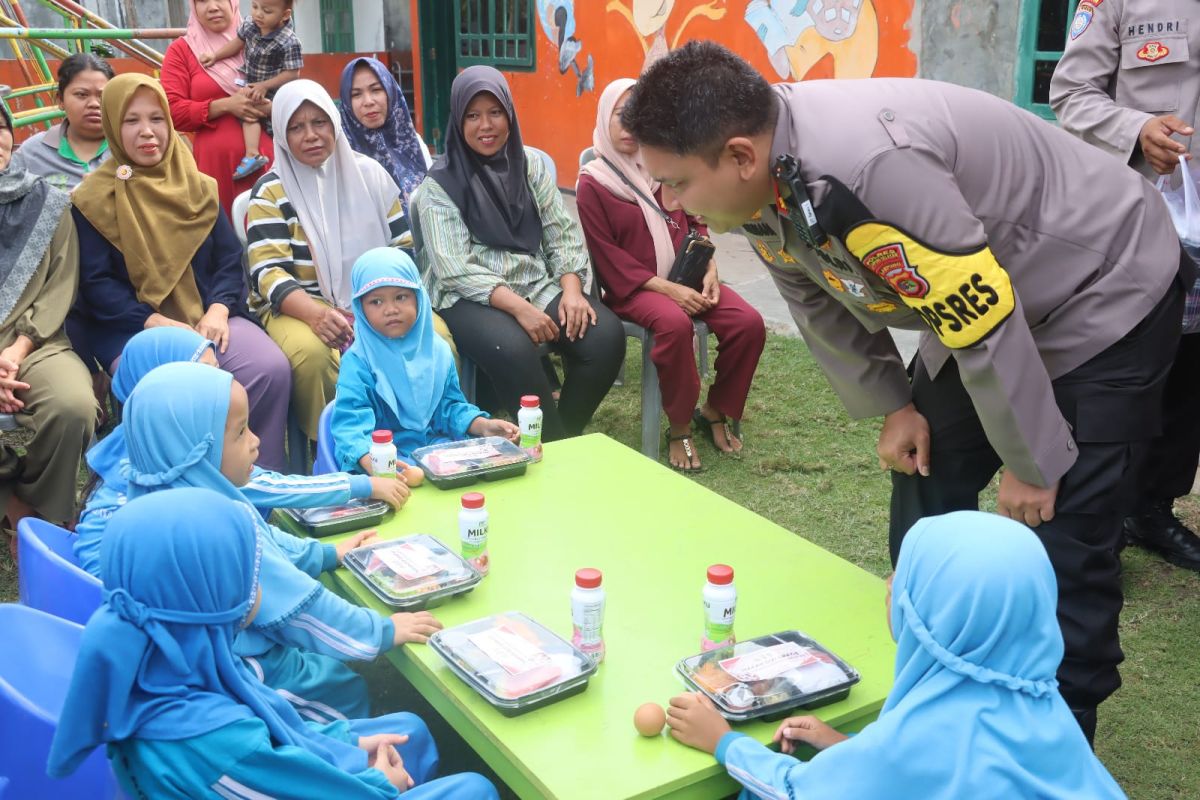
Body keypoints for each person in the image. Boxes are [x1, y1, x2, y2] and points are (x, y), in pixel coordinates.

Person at [620, 41, 1186, 743]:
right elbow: (814, 296)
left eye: (675, 183)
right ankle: (925, 683)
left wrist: (1032, 461)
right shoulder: (763, 176)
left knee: (1064, 530)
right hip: (988, 297)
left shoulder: (870, 169)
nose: (668, 201)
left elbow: (981, 320)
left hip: (1102, 286)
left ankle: (1057, 739)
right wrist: (895, 403)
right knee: (926, 465)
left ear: (738, 156)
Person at [47, 487, 499, 799]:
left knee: (409, 730)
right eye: (249, 574)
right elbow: (276, 772)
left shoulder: (168, 660)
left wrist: (345, 744)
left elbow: (280, 731)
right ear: (208, 601)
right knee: (474, 790)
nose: (261, 585)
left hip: (263, 771)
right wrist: (383, 784)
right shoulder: (212, 742)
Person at [665, 511, 1128, 799]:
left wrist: (724, 741)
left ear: (945, 621)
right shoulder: (1045, 710)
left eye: (906, 581)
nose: (891, 586)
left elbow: (796, 792)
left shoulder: (922, 735)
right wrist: (851, 751)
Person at [119, 361, 441, 720]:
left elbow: (269, 543)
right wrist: (383, 629)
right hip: (239, 673)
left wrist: (325, 554)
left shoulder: (158, 496)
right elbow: (300, 608)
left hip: (191, 667)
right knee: (339, 687)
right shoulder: (218, 526)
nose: (256, 441)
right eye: (241, 433)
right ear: (194, 449)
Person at [70, 73, 292, 471]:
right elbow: (95, 284)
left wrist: (219, 310)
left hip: (206, 316)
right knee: (179, 389)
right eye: (131, 121)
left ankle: (262, 486)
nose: (147, 132)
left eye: (157, 118)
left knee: (267, 368)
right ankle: (183, 489)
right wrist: (154, 320)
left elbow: (228, 260)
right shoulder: (92, 199)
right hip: (134, 328)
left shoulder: (199, 186)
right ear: (113, 127)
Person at [1050, 1, 1200, 573]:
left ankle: (1152, 509)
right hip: (1138, 218)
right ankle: (1098, 517)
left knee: (1189, 379)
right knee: (1122, 371)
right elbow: (1072, 94)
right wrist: (1134, 128)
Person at [74, 326, 409, 575]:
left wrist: (322, 553)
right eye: (202, 376)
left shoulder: (143, 448)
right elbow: (256, 531)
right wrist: (364, 487)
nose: (219, 385)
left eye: (218, 372)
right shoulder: (184, 472)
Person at [412, 66, 626, 441]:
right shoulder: (439, 184)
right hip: (467, 297)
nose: (486, 126)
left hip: (532, 281)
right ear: (458, 121)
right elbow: (454, 268)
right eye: (473, 116)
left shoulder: (529, 167)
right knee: (512, 347)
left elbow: (561, 232)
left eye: (495, 112)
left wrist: (573, 290)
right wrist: (520, 310)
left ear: (509, 114)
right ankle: (553, 445)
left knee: (605, 336)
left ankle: (562, 437)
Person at [247, 79, 454, 442]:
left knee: (435, 337)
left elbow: (403, 248)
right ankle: (334, 446)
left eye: (320, 123)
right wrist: (316, 314)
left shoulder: (371, 175)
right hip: (301, 304)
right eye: (296, 127)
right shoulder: (271, 190)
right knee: (313, 356)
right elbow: (267, 273)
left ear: (334, 123)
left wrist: (378, 303)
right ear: (280, 133)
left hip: (379, 292)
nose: (310, 135)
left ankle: (420, 434)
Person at [576, 78, 765, 471]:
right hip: (635, 289)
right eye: (619, 116)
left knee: (748, 322)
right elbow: (607, 257)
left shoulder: (663, 165)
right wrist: (669, 291)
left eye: (636, 116)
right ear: (602, 119)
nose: (629, 126)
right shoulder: (593, 183)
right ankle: (680, 427)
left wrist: (710, 266)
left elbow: (696, 220)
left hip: (687, 275)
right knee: (675, 325)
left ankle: (715, 409)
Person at [0, 104, 95, 544]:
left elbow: (60, 284)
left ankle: (42, 507)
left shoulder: (48, 202)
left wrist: (17, 352)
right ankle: (10, 501)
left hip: (34, 341)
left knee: (73, 405)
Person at [332, 249, 519, 474]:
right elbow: (350, 427)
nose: (390, 310)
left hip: (436, 450)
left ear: (419, 297)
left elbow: (449, 408)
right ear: (360, 309)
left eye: (401, 297)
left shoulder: (437, 351)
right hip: (381, 460)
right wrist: (377, 465)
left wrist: (483, 426)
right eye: (376, 301)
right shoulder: (358, 362)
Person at [162, 0, 275, 217]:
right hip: (215, 169)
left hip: (268, 161)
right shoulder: (182, 51)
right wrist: (226, 106)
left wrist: (271, 106)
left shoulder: (264, 40)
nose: (212, 7)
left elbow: (294, 97)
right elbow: (172, 110)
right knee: (225, 237)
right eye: (202, 1)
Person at [198, 0, 302, 181]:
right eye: (254, 7)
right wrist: (215, 56)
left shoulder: (289, 41)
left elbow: (292, 74)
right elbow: (237, 43)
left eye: (267, 11)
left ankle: (258, 156)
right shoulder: (251, 25)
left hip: (274, 89)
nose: (258, 14)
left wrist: (265, 86)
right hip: (253, 84)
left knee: (256, 113)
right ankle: (253, 154)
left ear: (285, 15)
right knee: (246, 108)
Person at [339, 56, 433, 214]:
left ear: (390, 91)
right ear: (347, 102)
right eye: (356, 94)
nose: (368, 101)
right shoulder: (341, 154)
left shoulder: (414, 144)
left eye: (376, 90)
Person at [9, 53, 113, 191]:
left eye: (103, 95)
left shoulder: (129, 148)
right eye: (81, 94)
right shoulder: (33, 152)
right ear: (60, 100)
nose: (94, 103)